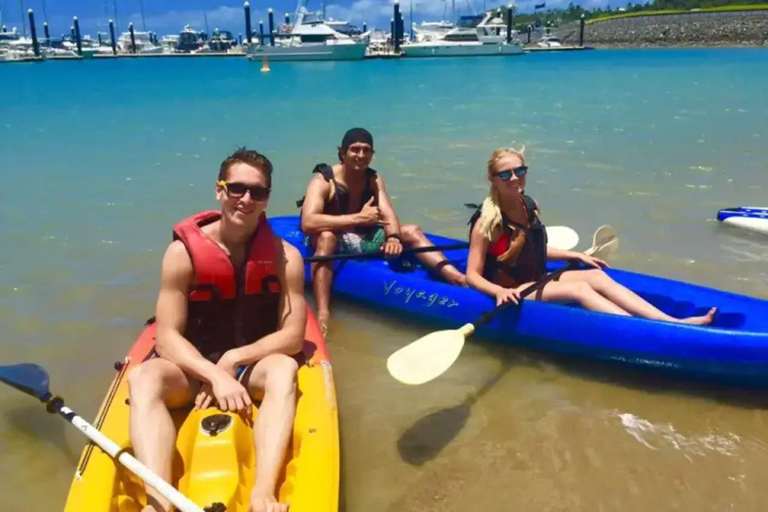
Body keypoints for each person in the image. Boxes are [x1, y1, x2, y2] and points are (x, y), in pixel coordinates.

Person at [127, 148, 306, 512]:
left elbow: (292, 335)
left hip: (250, 365)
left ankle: (263, 493)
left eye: (257, 192)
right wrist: (212, 373)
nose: (246, 199)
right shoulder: (182, 255)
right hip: (191, 370)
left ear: (267, 198)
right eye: (237, 188)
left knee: (285, 369)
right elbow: (166, 336)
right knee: (144, 377)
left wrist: (233, 361)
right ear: (219, 190)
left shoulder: (286, 256)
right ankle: (158, 501)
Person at [466, 147, 717, 325]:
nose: (514, 178)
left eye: (519, 171)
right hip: (513, 289)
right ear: (493, 180)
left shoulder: (530, 205)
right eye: (505, 174)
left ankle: (670, 321)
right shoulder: (488, 222)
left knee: (596, 275)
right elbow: (473, 275)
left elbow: (532, 249)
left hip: (537, 278)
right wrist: (498, 292)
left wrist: (572, 254)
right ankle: (646, 331)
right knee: (580, 289)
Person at [299, 127, 467, 333]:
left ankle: (456, 278)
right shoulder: (323, 180)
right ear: (342, 153)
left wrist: (394, 238)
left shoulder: (373, 179)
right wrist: (357, 218)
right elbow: (308, 222)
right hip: (332, 237)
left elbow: (388, 212)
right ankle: (324, 312)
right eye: (355, 149)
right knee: (326, 237)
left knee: (412, 230)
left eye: (366, 150)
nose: (361, 155)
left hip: (363, 235)